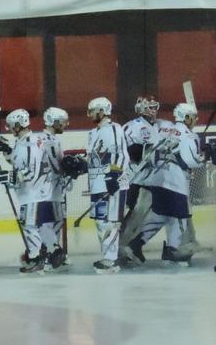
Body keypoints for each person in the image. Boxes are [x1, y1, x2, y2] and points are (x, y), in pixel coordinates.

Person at [126, 103, 206, 266]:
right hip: (175, 182)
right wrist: (206, 155)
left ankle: (136, 244)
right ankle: (175, 250)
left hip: (159, 179)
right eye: (193, 117)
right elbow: (192, 161)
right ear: (186, 117)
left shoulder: (166, 129)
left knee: (161, 216)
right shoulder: (188, 135)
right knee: (181, 217)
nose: (195, 120)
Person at [0, 108, 56, 273]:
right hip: (32, 193)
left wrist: (9, 177)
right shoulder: (24, 142)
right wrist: (6, 150)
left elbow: (30, 172)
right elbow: (18, 163)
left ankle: (36, 258)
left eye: (11, 125)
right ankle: (43, 255)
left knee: (30, 226)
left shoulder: (29, 144)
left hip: (33, 193)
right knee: (32, 225)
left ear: (18, 125)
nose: (9, 128)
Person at [86, 97, 129, 274]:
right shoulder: (93, 133)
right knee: (100, 222)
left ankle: (111, 260)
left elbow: (119, 153)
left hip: (112, 184)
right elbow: (94, 158)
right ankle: (107, 256)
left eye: (92, 111)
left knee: (111, 222)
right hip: (97, 185)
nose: (89, 114)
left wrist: (114, 175)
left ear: (102, 111)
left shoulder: (113, 128)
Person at [120, 96, 163, 261]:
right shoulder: (133, 127)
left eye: (155, 106)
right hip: (136, 180)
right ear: (142, 109)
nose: (154, 110)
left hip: (150, 180)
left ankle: (130, 247)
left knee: (144, 216)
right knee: (135, 215)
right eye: (150, 107)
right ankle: (121, 247)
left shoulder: (155, 126)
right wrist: (140, 151)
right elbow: (126, 151)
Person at [38, 107, 70, 269]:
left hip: (52, 188)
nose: (66, 124)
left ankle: (52, 256)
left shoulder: (50, 139)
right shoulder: (48, 140)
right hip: (48, 189)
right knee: (49, 223)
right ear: (53, 122)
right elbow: (57, 167)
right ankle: (48, 255)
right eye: (63, 121)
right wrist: (71, 167)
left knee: (56, 221)